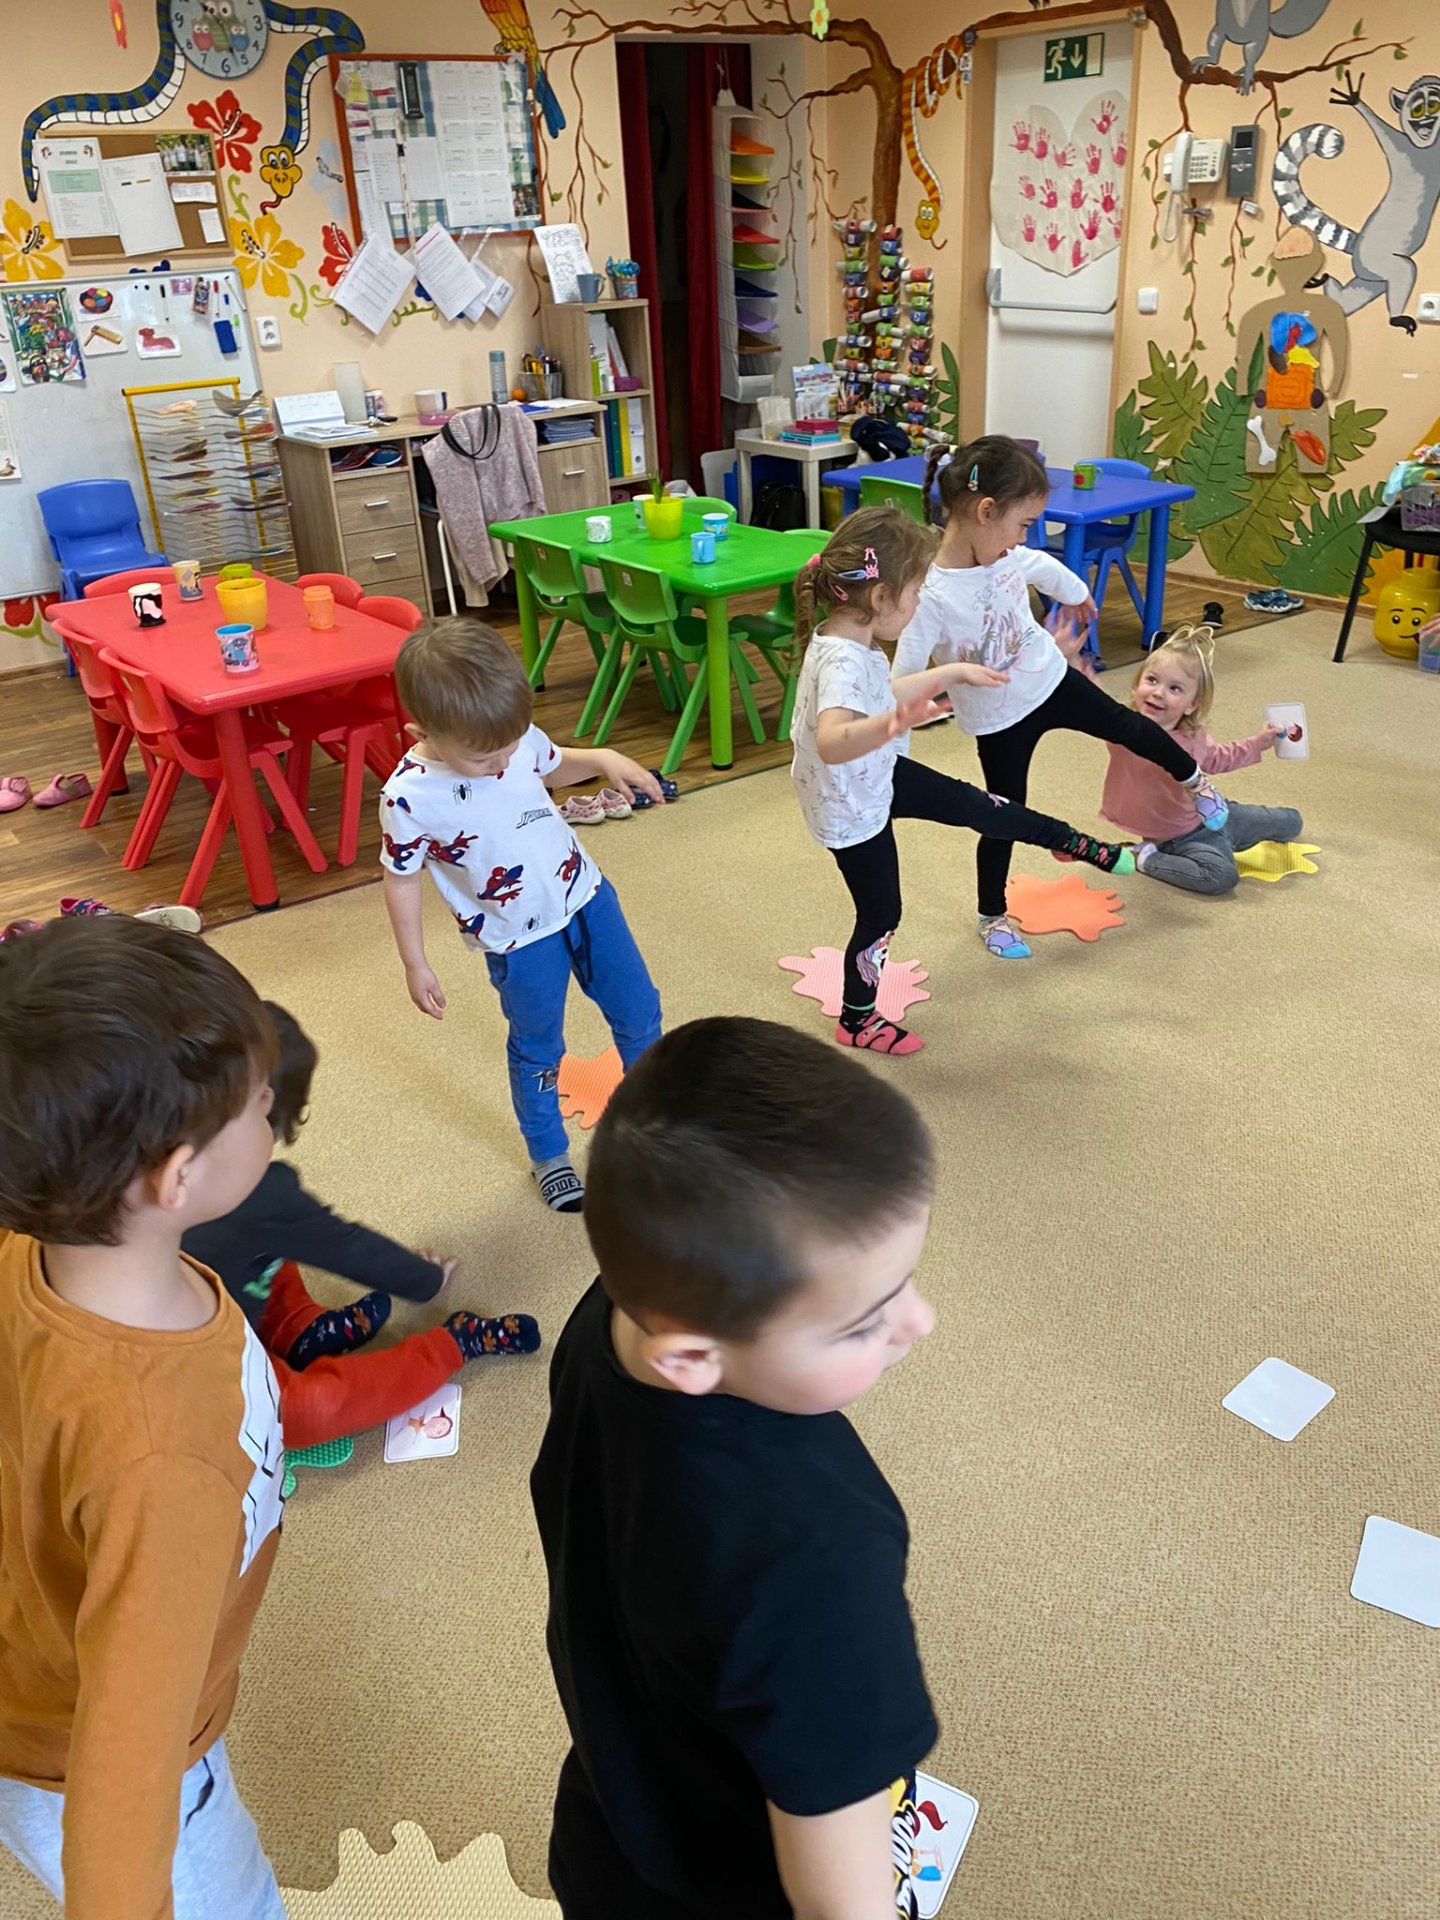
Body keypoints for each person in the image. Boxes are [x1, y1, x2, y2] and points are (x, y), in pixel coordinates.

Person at [531, 1016, 940, 1920]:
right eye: (864, 1321)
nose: (920, 1322)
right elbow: (842, 1899)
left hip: (611, 1828)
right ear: (691, 1359)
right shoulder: (817, 1562)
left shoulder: (619, 1312)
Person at [0, 916, 287, 1919]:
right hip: (115, 1766)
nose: (273, 1109)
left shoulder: (28, 1246)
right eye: (261, 1104)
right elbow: (125, 1777)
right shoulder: (162, 1460)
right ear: (176, 1177)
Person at [789, 505, 1137, 1054]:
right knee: (881, 914)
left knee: (981, 806)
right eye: (914, 592)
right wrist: (894, 724)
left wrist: (949, 673)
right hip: (851, 806)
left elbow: (876, 696)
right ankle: (857, 1021)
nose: (917, 604)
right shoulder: (842, 660)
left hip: (875, 774)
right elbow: (834, 741)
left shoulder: (847, 638)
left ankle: (1071, 842)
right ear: (880, 597)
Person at [892, 436, 1231, 960]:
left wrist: (1078, 594)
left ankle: (1195, 781)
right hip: (999, 719)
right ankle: (992, 915)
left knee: (1130, 727)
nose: (1023, 537)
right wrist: (897, 739)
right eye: (1023, 523)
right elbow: (904, 676)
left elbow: (1040, 567)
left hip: (1051, 680)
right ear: (986, 511)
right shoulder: (932, 596)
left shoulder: (1005, 556)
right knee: (1004, 815)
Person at [379, 617, 664, 1214]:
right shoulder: (408, 797)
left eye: (511, 746)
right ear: (421, 732)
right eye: (486, 757)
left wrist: (604, 758)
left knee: (640, 1011)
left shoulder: (511, 737)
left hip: (587, 897)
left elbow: (550, 764)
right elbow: (400, 878)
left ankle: (656, 1120)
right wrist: (414, 962)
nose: (504, 761)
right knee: (539, 1047)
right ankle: (548, 1152)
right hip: (516, 939)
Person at [183, 1002, 541, 1450]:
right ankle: (452, 1344)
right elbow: (347, 1246)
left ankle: (299, 1330)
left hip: (217, 1309)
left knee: (271, 1238)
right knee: (303, 1412)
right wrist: (425, 1279)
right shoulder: (261, 1194)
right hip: (202, 1364)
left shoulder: (199, 1179)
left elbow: (334, 1242)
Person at [1098, 625, 1303, 894]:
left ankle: (1234, 832)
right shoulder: (1124, 732)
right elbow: (1094, 705)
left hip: (1217, 815)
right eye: (1152, 680)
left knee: (1293, 822)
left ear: (1191, 704)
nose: (1158, 692)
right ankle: (1144, 858)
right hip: (1178, 839)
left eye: (1174, 688)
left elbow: (1218, 758)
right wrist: (1078, 667)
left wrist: (1259, 743)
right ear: (1137, 685)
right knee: (1220, 877)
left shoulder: (1193, 735)